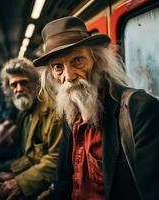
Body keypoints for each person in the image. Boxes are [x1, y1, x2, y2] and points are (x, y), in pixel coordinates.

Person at [33, 16, 159, 200]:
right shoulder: (70, 112)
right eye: (58, 67)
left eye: (77, 61)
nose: (68, 76)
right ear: (52, 74)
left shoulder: (140, 110)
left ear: (98, 61)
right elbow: (62, 182)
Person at [0, 58, 62, 200]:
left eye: (24, 82)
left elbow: (55, 159)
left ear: (35, 83)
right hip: (31, 163)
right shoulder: (24, 109)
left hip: (47, 175)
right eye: (14, 85)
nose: (19, 89)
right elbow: (30, 153)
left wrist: (20, 181)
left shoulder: (52, 111)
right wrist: (15, 171)